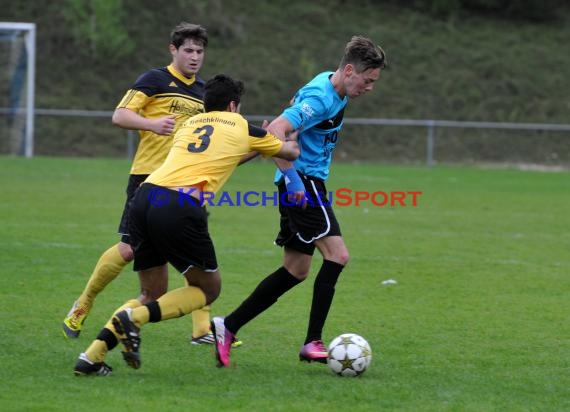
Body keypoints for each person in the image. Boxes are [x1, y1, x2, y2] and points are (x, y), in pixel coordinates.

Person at [73, 74, 300, 376]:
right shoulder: (242, 125)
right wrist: (291, 135)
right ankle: (135, 319)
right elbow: (289, 152)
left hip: (145, 197)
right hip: (178, 206)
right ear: (234, 105)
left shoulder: (190, 125)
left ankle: (91, 357)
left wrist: (258, 146)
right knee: (208, 289)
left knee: (151, 292)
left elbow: (224, 156)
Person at [211, 35, 387, 367]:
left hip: (302, 182)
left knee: (296, 269)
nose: (370, 87)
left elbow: (282, 127)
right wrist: (292, 179)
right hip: (304, 184)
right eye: (368, 80)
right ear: (349, 70)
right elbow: (277, 130)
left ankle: (228, 325)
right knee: (338, 255)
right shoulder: (321, 96)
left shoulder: (331, 86)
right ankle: (312, 342)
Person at [62, 22, 225, 346]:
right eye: (188, 50)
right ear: (173, 50)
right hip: (148, 179)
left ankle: (201, 329)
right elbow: (120, 116)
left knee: (197, 250)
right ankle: (83, 304)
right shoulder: (154, 80)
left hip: (188, 183)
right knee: (127, 250)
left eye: (199, 51)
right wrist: (151, 123)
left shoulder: (204, 92)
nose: (194, 57)